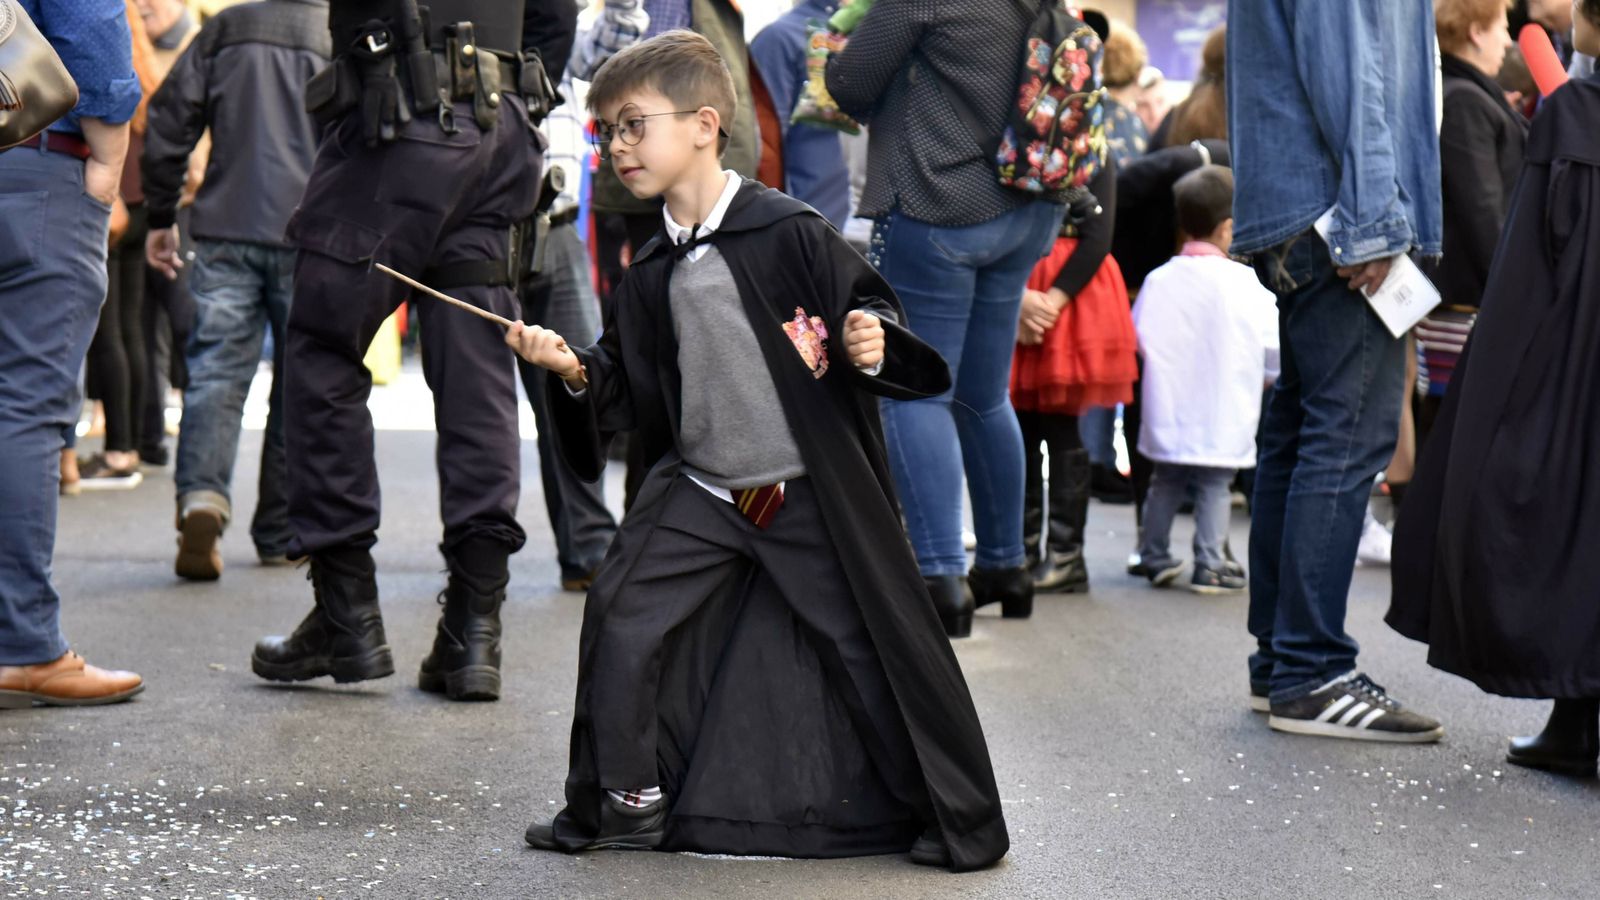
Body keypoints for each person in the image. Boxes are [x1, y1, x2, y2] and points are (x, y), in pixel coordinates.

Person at [514, 31, 1008, 870]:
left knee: (866, 648)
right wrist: (570, 371)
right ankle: (630, 800)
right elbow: (626, 394)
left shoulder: (791, 234)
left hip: (804, 492)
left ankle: (937, 808)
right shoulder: (647, 270)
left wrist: (871, 339)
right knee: (622, 614)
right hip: (702, 493)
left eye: (634, 125)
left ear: (705, 125)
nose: (616, 148)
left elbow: (869, 317)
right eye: (604, 132)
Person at [249, 0, 574, 703]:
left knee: (321, 343)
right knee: (480, 360)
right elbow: (556, 18)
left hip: (408, 112)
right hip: (504, 126)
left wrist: (374, 59)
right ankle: (473, 633)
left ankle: (348, 617)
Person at [1390, 0, 1600, 777]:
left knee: (1578, 529)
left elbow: (1534, 255)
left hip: (1577, 351)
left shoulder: (1575, 112)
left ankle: (1577, 719)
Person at [1229, 0, 1445, 742]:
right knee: (1345, 435)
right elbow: (1355, 78)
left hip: (1302, 208)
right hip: (1337, 212)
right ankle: (1311, 671)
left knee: (1301, 435)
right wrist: (1374, 221)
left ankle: (1282, 660)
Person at [825, 0, 1069, 637]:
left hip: (941, 203)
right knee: (985, 397)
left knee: (916, 392)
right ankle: (1005, 569)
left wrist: (831, 48)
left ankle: (939, 579)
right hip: (1027, 207)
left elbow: (849, 87)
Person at [142, 0, 333, 580]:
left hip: (226, 224)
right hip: (310, 233)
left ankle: (201, 498)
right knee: (301, 380)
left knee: (218, 371)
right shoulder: (339, 34)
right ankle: (278, 527)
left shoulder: (224, 29)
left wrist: (159, 213)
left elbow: (170, 118)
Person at [0, 0, 145, 707]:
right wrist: (110, 160)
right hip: (28, 157)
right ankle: (23, 644)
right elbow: (89, 26)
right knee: (25, 407)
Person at [1131, 166, 1278, 595]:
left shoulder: (1159, 280)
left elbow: (1139, 337)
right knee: (1216, 484)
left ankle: (1153, 554)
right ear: (1229, 228)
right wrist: (1265, 379)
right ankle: (1209, 562)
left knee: (1166, 480)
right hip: (1224, 405)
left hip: (1170, 405)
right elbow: (1273, 348)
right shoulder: (1246, 282)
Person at [515, 53, 619, 594]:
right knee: (473, 408)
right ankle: (474, 554)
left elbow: (618, 34)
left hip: (556, 227)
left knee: (577, 389)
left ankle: (590, 549)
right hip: (478, 231)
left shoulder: (567, 28)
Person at [1011, 158, 1136, 595]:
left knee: (1061, 422)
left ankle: (1066, 555)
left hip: (1072, 289)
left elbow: (1098, 237)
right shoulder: (1013, 144)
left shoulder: (1095, 154)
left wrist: (1049, 303)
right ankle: (1019, 550)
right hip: (1018, 279)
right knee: (1017, 423)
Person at [1417, 0, 1527, 450]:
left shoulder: (1462, 93)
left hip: (1466, 300)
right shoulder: (1465, 101)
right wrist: (1517, 292)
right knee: (1460, 432)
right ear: (1476, 32)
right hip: (1468, 306)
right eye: (1501, 26)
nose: (1508, 39)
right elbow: (1484, 212)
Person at [748, 0, 852, 228]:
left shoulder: (878, 34)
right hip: (803, 223)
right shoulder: (780, 38)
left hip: (866, 224)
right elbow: (764, 145)